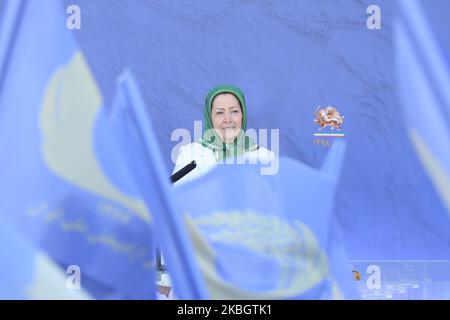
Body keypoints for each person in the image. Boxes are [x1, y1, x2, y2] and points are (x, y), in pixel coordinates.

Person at [172, 84, 274, 185]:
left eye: (234, 111)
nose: (228, 119)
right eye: (220, 113)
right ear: (209, 117)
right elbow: (173, 198)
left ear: (243, 115)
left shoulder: (265, 157)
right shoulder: (189, 154)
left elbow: (275, 199)